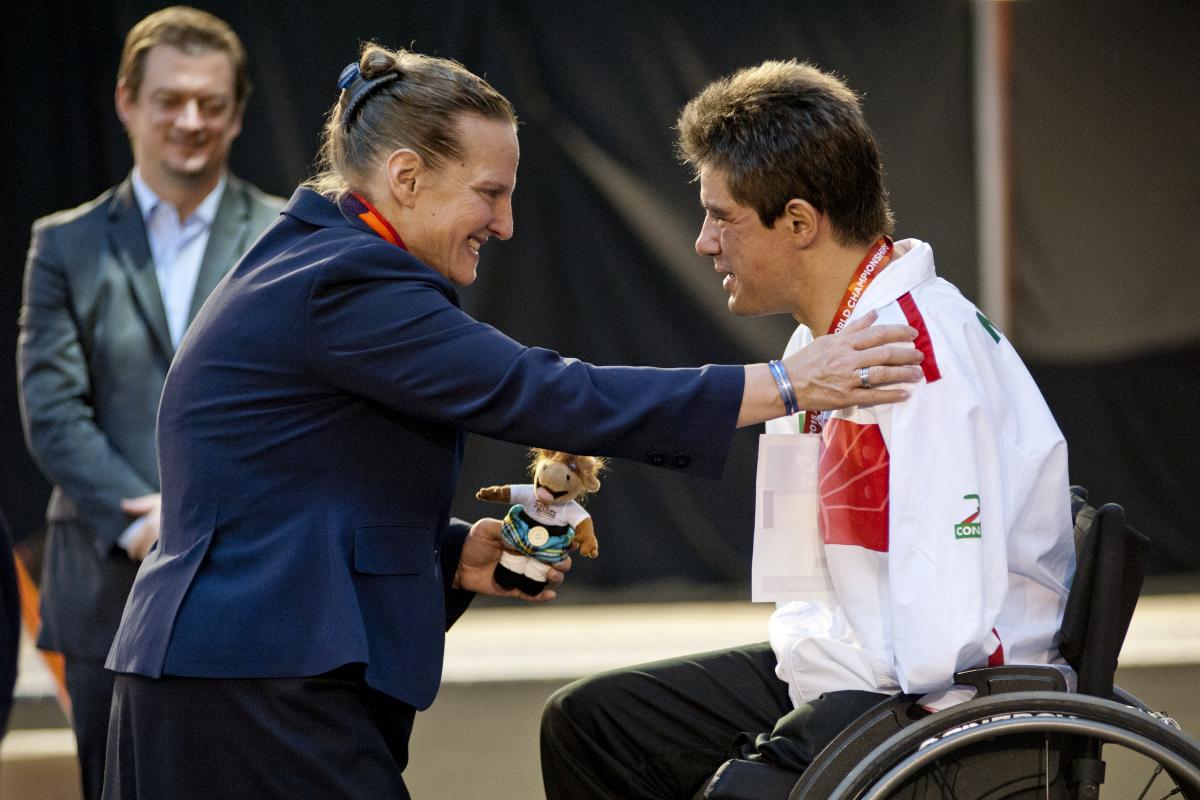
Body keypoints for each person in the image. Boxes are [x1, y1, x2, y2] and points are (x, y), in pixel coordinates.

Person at [100, 44, 922, 799]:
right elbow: (546, 393)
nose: (505, 223)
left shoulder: (320, 260)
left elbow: (303, 480)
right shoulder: (347, 280)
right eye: (489, 194)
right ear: (406, 176)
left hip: (246, 675)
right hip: (250, 688)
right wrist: (784, 381)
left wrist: (454, 554)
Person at [539, 60, 1076, 799]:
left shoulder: (911, 358)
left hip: (940, 706)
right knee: (591, 721)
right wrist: (807, 672)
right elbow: (798, 570)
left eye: (720, 216)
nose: (703, 241)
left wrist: (796, 740)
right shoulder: (818, 350)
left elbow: (948, 647)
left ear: (798, 222)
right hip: (843, 667)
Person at [15, 8, 283, 798]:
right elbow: (52, 408)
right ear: (127, 102)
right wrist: (144, 522)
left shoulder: (287, 237)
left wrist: (199, 513)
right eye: (170, 99)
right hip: (104, 585)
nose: (190, 121)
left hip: (250, 577)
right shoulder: (64, 244)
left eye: (211, 102)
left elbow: (294, 409)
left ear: (237, 114)